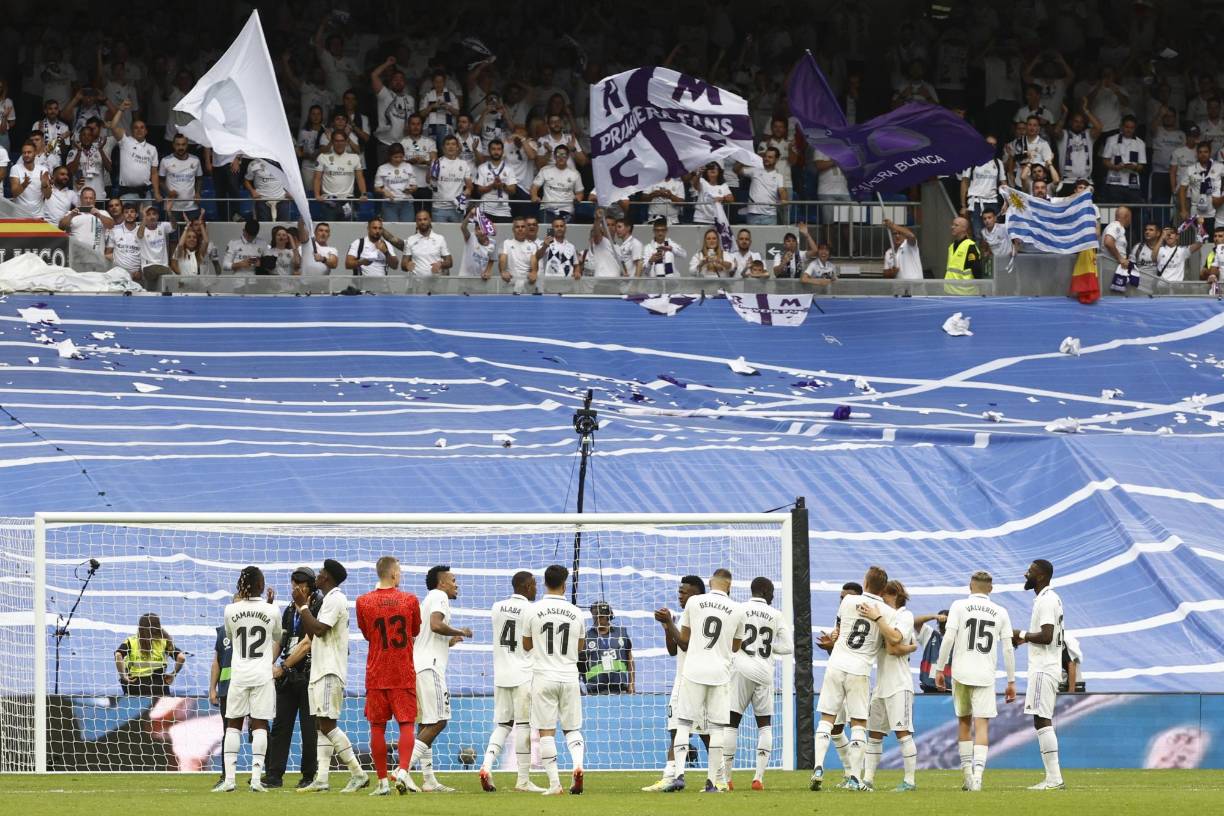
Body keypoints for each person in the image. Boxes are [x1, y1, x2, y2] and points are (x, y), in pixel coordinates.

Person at [810, 567, 901, 792]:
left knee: (826, 719)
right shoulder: (888, 613)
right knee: (859, 723)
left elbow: (839, 631)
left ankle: (818, 767)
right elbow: (895, 639)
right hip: (859, 670)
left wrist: (833, 639)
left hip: (836, 664)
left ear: (865, 582)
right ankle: (853, 777)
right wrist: (878, 619)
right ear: (883, 588)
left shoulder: (848, 601)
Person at [933, 571, 1017, 792]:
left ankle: (968, 776)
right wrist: (1011, 681)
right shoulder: (1001, 611)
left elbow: (948, 638)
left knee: (963, 722)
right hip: (985, 674)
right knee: (982, 725)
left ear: (970, 586)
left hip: (961, 672)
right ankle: (978, 778)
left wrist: (940, 668)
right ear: (991, 588)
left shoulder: (958, 606)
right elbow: (1008, 649)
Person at [294, 559, 370, 794]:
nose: (316, 576)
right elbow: (312, 632)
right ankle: (322, 778)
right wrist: (304, 608)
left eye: (320, 573)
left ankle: (358, 773)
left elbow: (319, 630)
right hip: (320, 669)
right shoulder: (328, 600)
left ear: (326, 577)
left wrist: (303, 607)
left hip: (329, 669)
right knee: (320, 725)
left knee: (327, 724)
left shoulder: (336, 598)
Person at [666, 568, 744, 793]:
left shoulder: (694, 603)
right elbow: (735, 647)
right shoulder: (738, 609)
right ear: (729, 585)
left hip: (693, 671)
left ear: (710, 583)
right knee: (717, 729)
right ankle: (712, 782)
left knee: (683, 723)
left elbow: (684, 639)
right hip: (720, 673)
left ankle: (679, 775)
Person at [356, 556, 423, 797]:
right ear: (394, 574)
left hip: (376, 673)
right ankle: (403, 771)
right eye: (400, 571)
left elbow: (367, 634)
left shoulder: (363, 602)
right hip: (402, 672)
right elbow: (415, 630)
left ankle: (383, 782)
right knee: (406, 724)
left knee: (377, 727)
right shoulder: (410, 600)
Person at [214, 566, 281, 793]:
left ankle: (229, 780)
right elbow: (277, 636)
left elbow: (230, 636)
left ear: (241, 585)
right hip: (262, 675)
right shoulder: (272, 610)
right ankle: (256, 780)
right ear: (261, 585)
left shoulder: (230, 610)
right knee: (260, 725)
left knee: (233, 724)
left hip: (239, 675)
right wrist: (268, 608)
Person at [406, 565, 473, 793]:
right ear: (442, 582)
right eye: (453, 580)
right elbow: (436, 625)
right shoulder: (439, 596)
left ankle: (428, 780)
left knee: (426, 723)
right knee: (439, 721)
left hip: (419, 666)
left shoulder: (426, 601)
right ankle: (403, 770)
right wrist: (460, 631)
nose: (456, 584)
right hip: (430, 668)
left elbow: (424, 636)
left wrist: (449, 641)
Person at [723, 577, 792, 792]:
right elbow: (788, 647)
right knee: (765, 726)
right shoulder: (776, 614)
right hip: (764, 673)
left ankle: (726, 779)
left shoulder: (739, 609)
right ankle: (758, 778)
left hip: (740, 670)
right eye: (771, 592)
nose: (773, 596)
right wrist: (769, 648)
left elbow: (727, 637)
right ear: (763, 591)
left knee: (731, 723)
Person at [478, 571, 545, 793]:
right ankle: (523, 780)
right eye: (534, 585)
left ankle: (486, 765)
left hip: (501, 675)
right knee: (524, 726)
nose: (536, 589)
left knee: (503, 725)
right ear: (526, 587)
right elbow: (530, 643)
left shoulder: (496, 607)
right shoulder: (533, 610)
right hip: (524, 674)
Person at [643, 575, 710, 792]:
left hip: (694, 682)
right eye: (679, 592)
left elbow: (684, 644)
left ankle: (719, 776)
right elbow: (674, 650)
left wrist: (670, 622)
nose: (680, 596)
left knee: (705, 734)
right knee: (677, 731)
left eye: (684, 592)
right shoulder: (685, 617)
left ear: (696, 595)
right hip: (683, 681)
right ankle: (670, 776)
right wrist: (666, 626)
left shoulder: (700, 618)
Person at [524, 564, 587, 796]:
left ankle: (554, 784)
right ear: (565, 584)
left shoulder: (532, 610)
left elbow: (526, 644)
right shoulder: (576, 612)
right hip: (569, 676)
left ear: (544, 582)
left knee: (546, 732)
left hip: (543, 676)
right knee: (572, 729)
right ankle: (577, 765)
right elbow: (580, 646)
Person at [265, 567, 322, 789]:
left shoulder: (318, 605)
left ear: (311, 586)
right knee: (280, 726)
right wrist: (267, 665)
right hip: (287, 675)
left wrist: (283, 666)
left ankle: (309, 775)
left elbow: (308, 643)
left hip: (309, 674)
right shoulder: (290, 609)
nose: (296, 588)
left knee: (309, 729)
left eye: (301, 585)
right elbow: (281, 640)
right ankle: (273, 775)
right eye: (293, 584)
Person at [1013, 559, 1066, 791]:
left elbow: (1046, 636)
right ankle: (1053, 778)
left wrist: (1021, 634)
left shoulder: (1046, 600)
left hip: (1044, 667)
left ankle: (1054, 779)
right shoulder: (1049, 599)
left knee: (1042, 719)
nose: (1026, 574)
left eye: (1030, 571)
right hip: (1047, 665)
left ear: (1041, 576)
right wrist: (1024, 639)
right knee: (1040, 719)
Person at [861, 580, 918, 793]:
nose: (880, 600)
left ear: (893, 595)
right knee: (874, 733)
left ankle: (909, 781)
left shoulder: (904, 616)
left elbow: (893, 645)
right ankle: (867, 780)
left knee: (903, 732)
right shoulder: (886, 617)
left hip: (899, 684)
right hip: (881, 685)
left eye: (883, 595)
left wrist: (878, 619)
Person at [114, 612, 185, 696]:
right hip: (158, 687)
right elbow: (181, 658)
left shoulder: (131, 641)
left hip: (135, 686)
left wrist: (123, 676)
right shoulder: (164, 642)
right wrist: (173, 674)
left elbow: (118, 655)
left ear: (140, 626)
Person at [108, 101, 160, 205]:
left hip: (145, 193)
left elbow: (154, 173)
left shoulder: (152, 149)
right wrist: (121, 109)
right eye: (136, 127)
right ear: (131, 131)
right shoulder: (125, 141)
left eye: (142, 127)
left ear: (146, 131)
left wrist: (157, 192)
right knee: (127, 215)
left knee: (147, 216)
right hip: (127, 193)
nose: (139, 130)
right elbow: (113, 126)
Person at [580, 601, 635, 694]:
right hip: (595, 692)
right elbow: (579, 664)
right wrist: (580, 689)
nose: (597, 619)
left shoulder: (621, 633)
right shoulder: (586, 637)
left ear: (609, 615)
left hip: (620, 689)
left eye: (601, 616)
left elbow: (630, 659)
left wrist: (631, 684)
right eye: (595, 616)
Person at [314, 131, 366, 221]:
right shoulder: (322, 157)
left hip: (348, 200)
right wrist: (317, 195)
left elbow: (360, 178)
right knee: (329, 227)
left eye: (342, 141)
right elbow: (317, 178)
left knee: (348, 227)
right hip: (329, 200)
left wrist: (363, 194)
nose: (339, 143)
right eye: (336, 141)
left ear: (346, 142)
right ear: (332, 142)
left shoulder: (355, 157)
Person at [959, 137, 1005, 234]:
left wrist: (1006, 202)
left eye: (994, 145)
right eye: (989, 144)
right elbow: (964, 182)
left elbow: (1004, 184)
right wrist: (963, 205)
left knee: (995, 234)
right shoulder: (971, 160)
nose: (991, 146)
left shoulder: (998, 163)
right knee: (978, 234)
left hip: (993, 201)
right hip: (976, 202)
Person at [208, 619, 233, 784]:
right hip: (227, 689)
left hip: (252, 687)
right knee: (228, 731)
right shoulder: (223, 631)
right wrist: (212, 688)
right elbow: (217, 661)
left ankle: (266, 775)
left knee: (259, 728)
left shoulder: (254, 625)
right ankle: (226, 775)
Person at [531, 145, 584, 223]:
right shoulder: (545, 170)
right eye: (558, 155)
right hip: (547, 209)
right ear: (554, 156)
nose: (561, 158)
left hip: (567, 210)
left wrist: (578, 197)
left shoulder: (575, 173)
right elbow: (534, 187)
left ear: (568, 157)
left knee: (565, 230)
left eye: (564, 155)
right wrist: (534, 196)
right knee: (548, 230)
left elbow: (580, 192)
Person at [158, 134, 202, 224]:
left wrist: (197, 193)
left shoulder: (195, 160)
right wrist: (168, 192)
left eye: (183, 144)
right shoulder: (165, 160)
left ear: (187, 145)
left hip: (192, 206)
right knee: (173, 232)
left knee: (192, 233)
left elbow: (199, 178)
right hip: (172, 207)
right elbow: (160, 180)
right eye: (178, 144)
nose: (181, 147)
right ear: (173, 145)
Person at [1102, 116, 1147, 204]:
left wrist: (1134, 167)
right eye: (1127, 127)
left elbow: (1142, 165)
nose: (1129, 130)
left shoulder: (1140, 143)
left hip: (1133, 184)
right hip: (1114, 182)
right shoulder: (1111, 140)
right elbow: (1105, 161)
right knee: (1114, 209)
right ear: (1121, 127)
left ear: (1135, 128)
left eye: (1131, 128)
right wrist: (1115, 167)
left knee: (1133, 210)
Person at [737, 149, 787, 225]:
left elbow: (782, 192)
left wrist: (783, 199)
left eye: (770, 157)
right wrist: (743, 160)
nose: (766, 159)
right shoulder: (754, 170)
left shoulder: (779, 176)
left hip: (770, 215)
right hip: (752, 214)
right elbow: (736, 170)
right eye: (765, 156)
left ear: (776, 159)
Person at [430, 135, 472, 223]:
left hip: (457, 208)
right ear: (443, 148)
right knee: (439, 232)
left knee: (457, 232)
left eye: (453, 144)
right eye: (448, 144)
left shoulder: (464, 164)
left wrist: (460, 199)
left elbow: (469, 188)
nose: (451, 147)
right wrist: (431, 168)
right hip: (439, 207)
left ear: (457, 147)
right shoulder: (437, 163)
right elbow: (430, 182)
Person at [473, 139, 516, 222]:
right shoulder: (482, 168)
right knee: (483, 231)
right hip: (485, 210)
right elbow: (479, 191)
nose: (496, 152)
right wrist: (492, 186)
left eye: (499, 149)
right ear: (489, 151)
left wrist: (503, 185)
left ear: (502, 151)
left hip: (504, 211)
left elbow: (513, 191)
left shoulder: (509, 169)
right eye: (493, 149)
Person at [403, 210, 452, 278]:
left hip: (436, 282)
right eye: (419, 220)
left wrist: (440, 265)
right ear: (416, 222)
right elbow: (403, 265)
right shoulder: (410, 240)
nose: (422, 222)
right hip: (416, 283)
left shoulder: (440, 238)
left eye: (425, 219)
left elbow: (449, 262)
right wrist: (407, 266)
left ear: (430, 220)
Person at [9, 140, 50, 218]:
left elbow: (48, 196)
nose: (26, 155)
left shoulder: (43, 170)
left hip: (38, 216)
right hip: (19, 215)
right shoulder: (15, 168)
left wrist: (44, 185)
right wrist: (24, 184)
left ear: (35, 153)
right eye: (24, 153)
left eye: (29, 152)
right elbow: (14, 193)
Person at [532, 218, 581, 282]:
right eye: (556, 226)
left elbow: (576, 265)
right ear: (552, 228)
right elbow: (537, 256)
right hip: (550, 285)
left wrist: (577, 272)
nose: (559, 228)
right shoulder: (546, 243)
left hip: (567, 284)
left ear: (565, 228)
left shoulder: (571, 247)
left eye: (561, 226)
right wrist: (545, 246)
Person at [105, 201, 143, 280]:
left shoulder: (142, 231)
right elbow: (108, 254)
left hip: (136, 274)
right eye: (126, 212)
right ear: (123, 215)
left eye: (132, 212)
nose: (129, 214)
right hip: (118, 273)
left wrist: (140, 271)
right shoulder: (114, 230)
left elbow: (145, 254)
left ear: (136, 214)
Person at [914, 610, 950, 693]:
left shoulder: (959, 639)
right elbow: (915, 622)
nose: (944, 624)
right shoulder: (930, 635)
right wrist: (934, 616)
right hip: (929, 689)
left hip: (950, 690)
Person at [944, 216, 982, 295]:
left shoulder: (970, 246)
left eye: (956, 225)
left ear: (964, 228)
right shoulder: (951, 247)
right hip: (949, 291)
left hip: (965, 293)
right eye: (952, 224)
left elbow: (977, 271)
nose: (952, 227)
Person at [1102, 207, 1133, 293]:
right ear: (1127, 217)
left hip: (1114, 268)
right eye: (1130, 217)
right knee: (1111, 295)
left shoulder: (1117, 227)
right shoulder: (1116, 226)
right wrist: (1120, 258)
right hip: (1110, 268)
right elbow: (1108, 242)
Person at [459, 208, 497, 279]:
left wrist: (487, 271)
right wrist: (470, 213)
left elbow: (491, 259)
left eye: (484, 229)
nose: (482, 232)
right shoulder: (470, 237)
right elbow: (463, 227)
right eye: (479, 229)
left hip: (481, 280)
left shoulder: (493, 242)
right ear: (475, 231)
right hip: (465, 278)